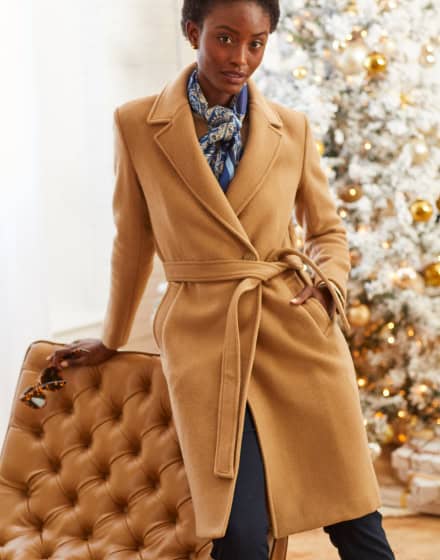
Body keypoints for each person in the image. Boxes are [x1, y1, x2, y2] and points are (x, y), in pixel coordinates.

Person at [46, 1, 397, 559]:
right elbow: (132, 244)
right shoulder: (138, 124)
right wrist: (111, 339)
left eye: (256, 43)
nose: (241, 58)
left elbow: (328, 230)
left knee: (358, 524)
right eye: (226, 39)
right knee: (237, 536)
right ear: (193, 33)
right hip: (205, 343)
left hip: (296, 336)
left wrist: (327, 286)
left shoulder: (293, 129)